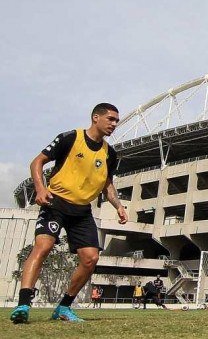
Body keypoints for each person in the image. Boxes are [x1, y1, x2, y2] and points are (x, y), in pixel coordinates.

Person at [10, 103, 128, 324]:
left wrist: (118, 206)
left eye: (116, 121)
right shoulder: (71, 138)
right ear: (96, 117)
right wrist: (40, 188)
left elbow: (107, 184)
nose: (114, 124)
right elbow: (37, 162)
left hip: (82, 211)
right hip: (56, 203)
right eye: (111, 119)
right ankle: (23, 304)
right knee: (43, 247)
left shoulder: (110, 154)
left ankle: (64, 307)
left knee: (91, 258)